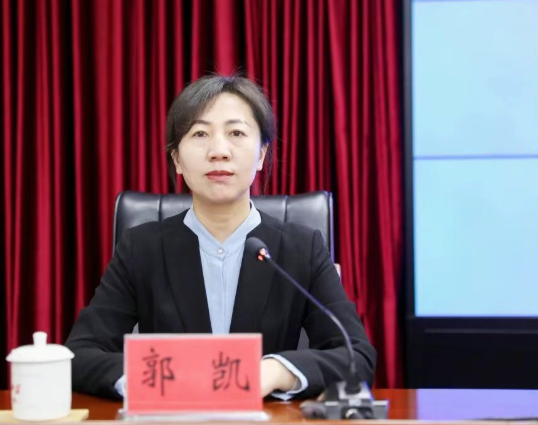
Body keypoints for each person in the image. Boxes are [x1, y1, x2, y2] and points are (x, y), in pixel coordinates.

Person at [65, 75, 376, 400]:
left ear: (261, 155)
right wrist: (157, 378)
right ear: (177, 159)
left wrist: (274, 371)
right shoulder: (141, 249)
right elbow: (81, 354)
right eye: (200, 134)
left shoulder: (302, 248)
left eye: (236, 133)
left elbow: (357, 355)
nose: (218, 151)